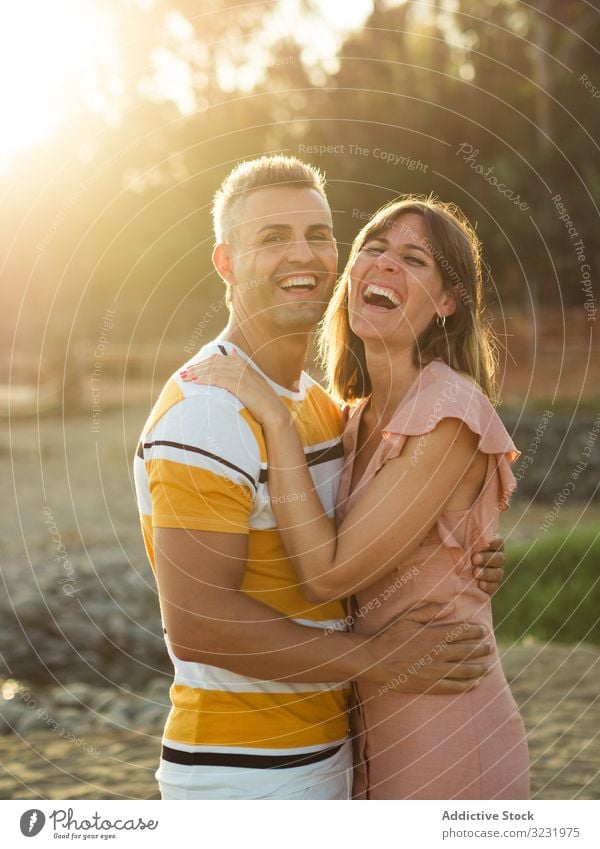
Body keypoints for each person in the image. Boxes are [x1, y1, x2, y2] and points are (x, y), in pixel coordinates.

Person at [134, 156, 506, 800]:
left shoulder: (323, 409)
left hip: (345, 748)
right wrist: (377, 658)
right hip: (242, 775)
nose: (300, 254)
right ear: (226, 263)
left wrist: (460, 551)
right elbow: (197, 623)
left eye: (317, 234)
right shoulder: (207, 409)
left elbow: (376, 535)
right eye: (272, 237)